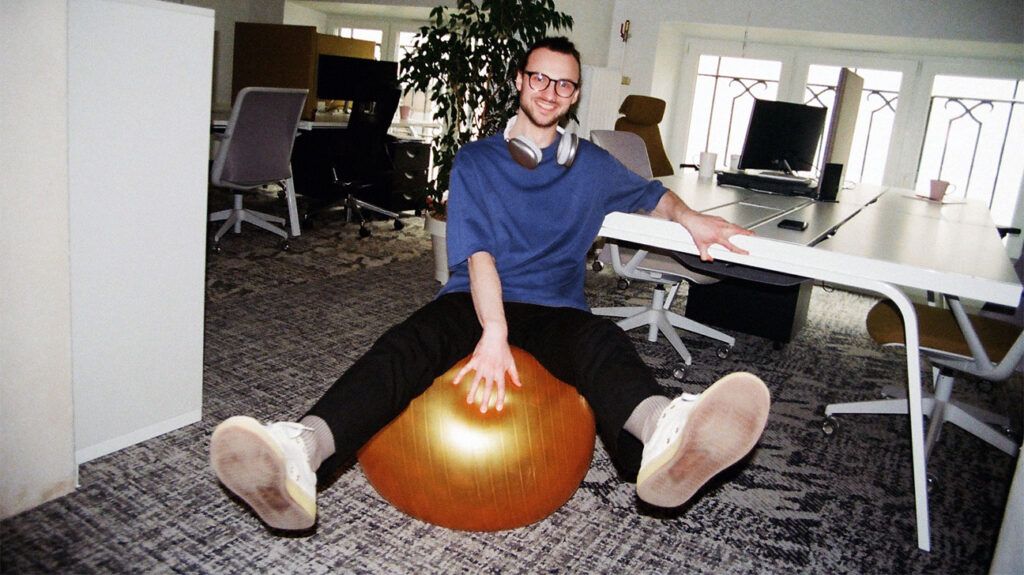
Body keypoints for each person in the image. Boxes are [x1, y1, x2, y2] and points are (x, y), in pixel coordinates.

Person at [209, 37, 771, 532]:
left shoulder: (593, 164)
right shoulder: (476, 162)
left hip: (556, 308)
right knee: (405, 348)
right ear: (520, 82)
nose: (550, 91)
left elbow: (653, 194)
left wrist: (692, 218)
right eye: (539, 78)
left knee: (603, 343)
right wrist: (494, 330)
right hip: (474, 301)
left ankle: (665, 434)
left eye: (564, 84)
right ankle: (302, 453)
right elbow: (477, 254)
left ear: (574, 96)